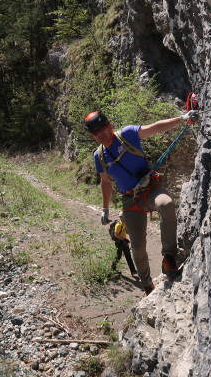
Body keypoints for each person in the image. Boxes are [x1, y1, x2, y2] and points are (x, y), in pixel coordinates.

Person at [84, 109, 197, 296]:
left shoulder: (127, 135)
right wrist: (104, 208)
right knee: (137, 245)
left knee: (166, 204)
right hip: (130, 200)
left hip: (150, 188)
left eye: (101, 128)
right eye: (95, 132)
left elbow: (156, 128)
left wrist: (181, 119)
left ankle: (168, 257)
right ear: (92, 137)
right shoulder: (99, 156)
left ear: (109, 126)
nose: (99, 133)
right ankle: (146, 285)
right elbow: (105, 182)